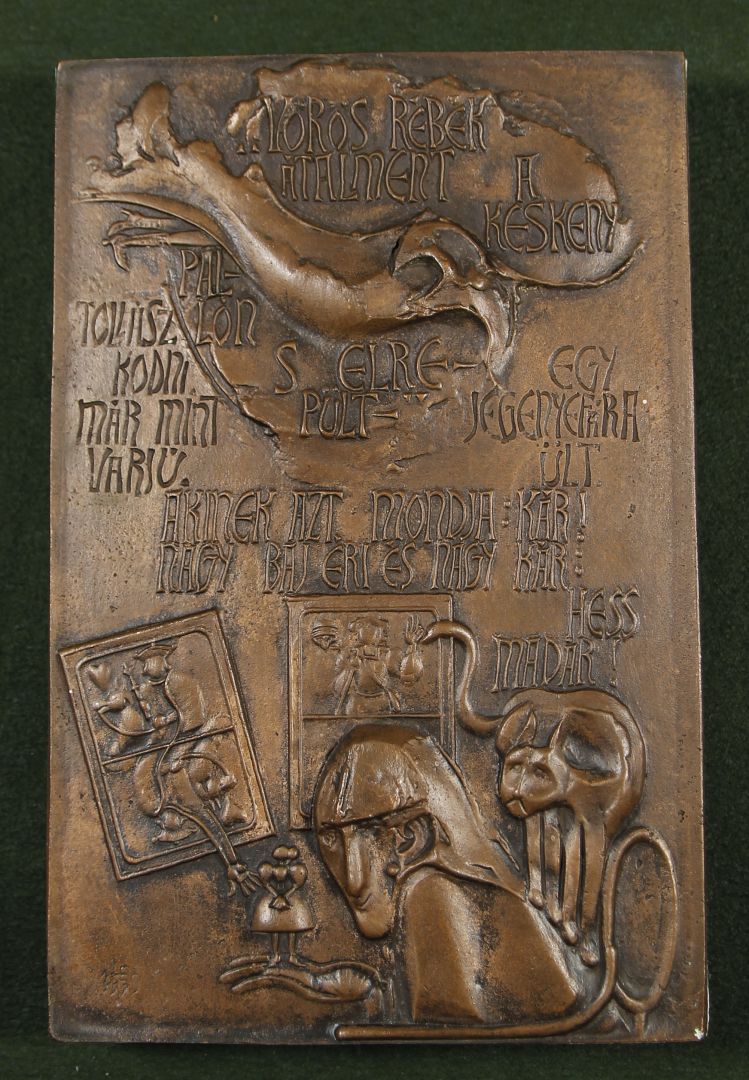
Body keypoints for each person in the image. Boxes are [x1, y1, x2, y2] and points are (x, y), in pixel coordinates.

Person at [313, 723, 579, 1024]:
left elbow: (445, 1019)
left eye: (373, 833)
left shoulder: (430, 892)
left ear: (414, 840)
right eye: (331, 839)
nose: (354, 880)